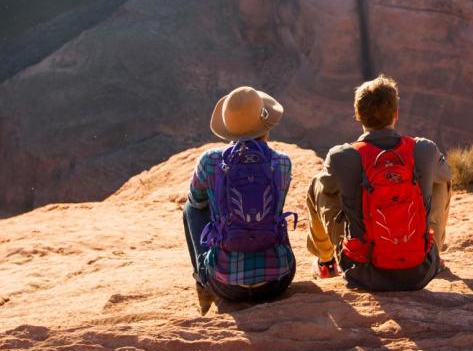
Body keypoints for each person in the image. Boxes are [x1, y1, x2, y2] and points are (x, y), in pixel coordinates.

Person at [305, 75, 452, 291]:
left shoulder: (341, 156)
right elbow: (447, 175)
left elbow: (328, 189)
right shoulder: (424, 149)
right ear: (395, 114)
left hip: (363, 273)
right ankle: (433, 252)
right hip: (420, 271)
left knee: (319, 184)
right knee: (440, 181)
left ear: (358, 115)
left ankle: (326, 262)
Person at [182, 86, 296, 314]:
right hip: (278, 281)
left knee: (191, 208)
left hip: (225, 285)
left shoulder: (210, 161)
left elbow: (196, 203)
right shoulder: (282, 163)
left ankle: (203, 283)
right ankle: (268, 262)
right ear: (266, 125)